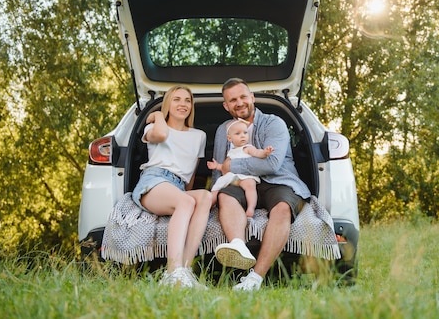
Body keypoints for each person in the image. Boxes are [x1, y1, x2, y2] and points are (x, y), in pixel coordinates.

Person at [211, 78, 310, 291]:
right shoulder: (223, 130)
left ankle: (254, 279)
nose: (239, 103)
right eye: (233, 100)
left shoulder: (274, 123)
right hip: (240, 182)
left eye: (243, 97)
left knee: (283, 207)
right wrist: (214, 190)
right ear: (226, 106)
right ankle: (238, 246)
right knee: (225, 196)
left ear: (252, 97)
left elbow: (273, 164)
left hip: (279, 180)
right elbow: (220, 166)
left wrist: (234, 164)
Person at [131, 85, 212, 289]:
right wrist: (158, 115)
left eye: (187, 100)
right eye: (176, 99)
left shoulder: (199, 136)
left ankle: (184, 270)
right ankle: (171, 272)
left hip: (176, 186)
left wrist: (184, 199)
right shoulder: (154, 128)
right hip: (153, 180)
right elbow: (161, 136)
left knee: (204, 197)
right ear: (168, 103)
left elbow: (190, 173)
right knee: (185, 201)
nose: (183, 104)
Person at [207, 118, 274, 217]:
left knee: (250, 186)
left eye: (245, 133)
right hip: (231, 177)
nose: (242, 136)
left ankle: (251, 207)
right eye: (237, 134)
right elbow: (226, 167)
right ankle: (208, 206)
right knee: (217, 187)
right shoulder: (231, 152)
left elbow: (258, 153)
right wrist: (217, 166)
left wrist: (265, 153)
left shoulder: (248, 148)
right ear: (229, 138)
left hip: (245, 176)